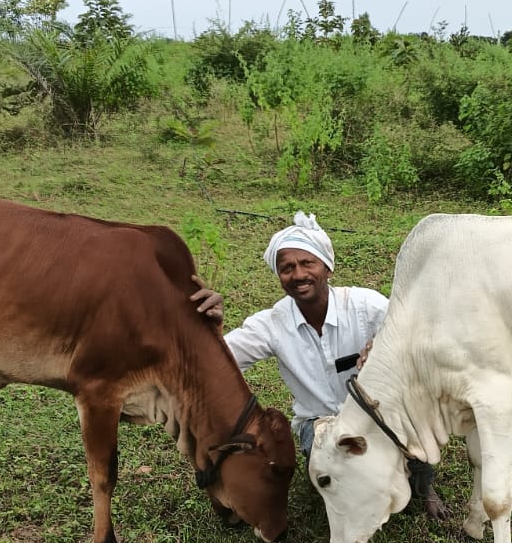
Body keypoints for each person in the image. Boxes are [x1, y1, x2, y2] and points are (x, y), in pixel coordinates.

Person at [191, 211, 448, 520]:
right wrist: (211, 330)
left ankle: (423, 487)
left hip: (378, 413)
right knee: (342, 470)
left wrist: (381, 350)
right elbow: (219, 365)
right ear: (279, 276)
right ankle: (353, 482)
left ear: (327, 268)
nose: (298, 274)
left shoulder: (365, 306)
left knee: (413, 423)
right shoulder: (273, 324)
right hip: (319, 423)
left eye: (307, 263)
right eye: (286, 267)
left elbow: (413, 334)